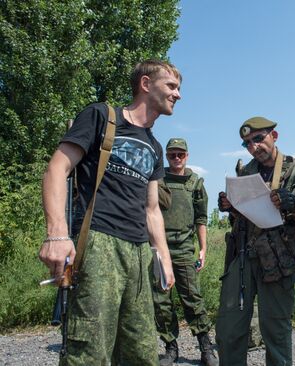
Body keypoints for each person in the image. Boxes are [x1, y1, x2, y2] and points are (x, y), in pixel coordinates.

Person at [39, 59, 181, 365]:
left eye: (178, 88)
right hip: (100, 244)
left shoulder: (155, 147)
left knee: (141, 350)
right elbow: (56, 169)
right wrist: (57, 235)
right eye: (171, 86)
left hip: (140, 253)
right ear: (145, 84)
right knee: (89, 351)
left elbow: (152, 209)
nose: (177, 94)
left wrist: (164, 258)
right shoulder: (102, 116)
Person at [216, 117, 295, 366]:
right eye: (247, 144)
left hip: (277, 259)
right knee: (229, 329)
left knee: (276, 331)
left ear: (274, 136)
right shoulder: (246, 171)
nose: (253, 147)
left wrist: (294, 205)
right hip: (242, 256)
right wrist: (230, 207)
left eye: (258, 139)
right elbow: (244, 215)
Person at [152, 137, 217, 366]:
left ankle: (206, 346)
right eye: (172, 155)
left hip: (184, 249)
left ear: (187, 156)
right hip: (159, 249)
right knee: (161, 301)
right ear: (167, 157)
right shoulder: (157, 181)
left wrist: (203, 249)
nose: (176, 158)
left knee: (192, 297)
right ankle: (171, 347)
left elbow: (201, 219)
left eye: (180, 154)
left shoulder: (195, 183)